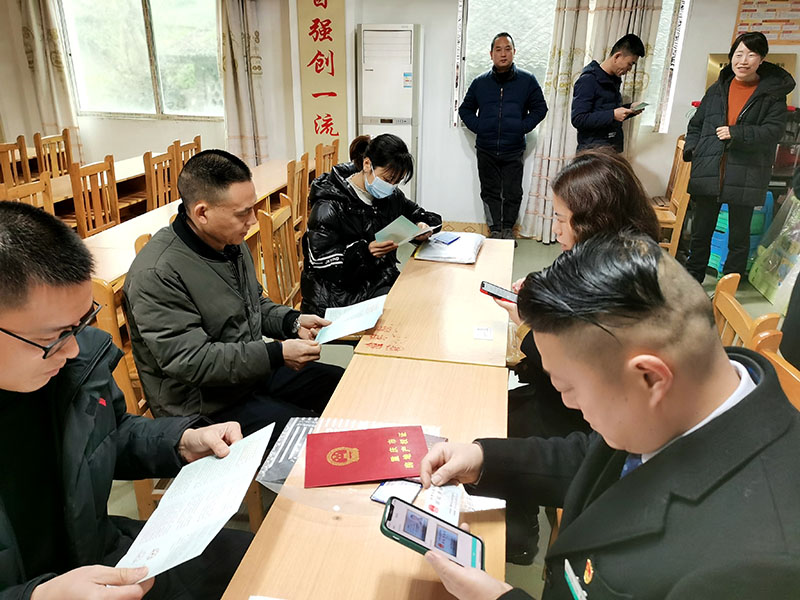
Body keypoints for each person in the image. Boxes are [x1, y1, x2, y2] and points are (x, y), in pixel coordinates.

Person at [421, 231, 800, 600]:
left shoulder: (756, 570)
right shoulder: (694, 394)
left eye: (568, 386)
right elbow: (597, 460)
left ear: (649, 377)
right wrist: (483, 459)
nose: (568, 403)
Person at [0, 202, 252, 600]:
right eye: (53, 338)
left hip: (99, 553)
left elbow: (108, 434)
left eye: (81, 324)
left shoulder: (71, 363)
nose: (72, 349)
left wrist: (179, 442)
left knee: (258, 560)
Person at [493, 149, 660, 565]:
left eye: (560, 219)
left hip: (594, 419)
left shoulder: (616, 278)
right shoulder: (611, 253)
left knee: (499, 419)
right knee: (501, 408)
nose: (555, 228)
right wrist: (537, 293)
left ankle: (518, 533)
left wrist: (526, 324)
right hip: (588, 400)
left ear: (592, 222)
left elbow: (566, 367)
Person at [124, 149, 343, 436]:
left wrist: (292, 322)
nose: (252, 221)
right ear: (202, 213)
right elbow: (192, 361)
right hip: (205, 405)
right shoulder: (157, 273)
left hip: (246, 375)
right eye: (243, 213)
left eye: (252, 208)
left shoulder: (228, 242)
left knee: (342, 384)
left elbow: (253, 303)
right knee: (307, 434)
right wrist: (276, 354)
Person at [684, 31, 795, 283]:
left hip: (747, 171)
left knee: (738, 238)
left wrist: (736, 133)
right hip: (710, 170)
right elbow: (696, 125)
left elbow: (773, 131)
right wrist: (694, 150)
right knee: (700, 234)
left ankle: (729, 288)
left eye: (751, 55)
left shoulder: (772, 94)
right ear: (731, 56)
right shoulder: (717, 89)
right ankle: (692, 283)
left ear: (762, 59)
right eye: (738, 54)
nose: (743, 60)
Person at [301, 134, 442, 316]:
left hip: (376, 281)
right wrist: (366, 253)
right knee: (409, 312)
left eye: (396, 182)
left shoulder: (389, 196)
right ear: (367, 164)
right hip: (338, 298)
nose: (391, 187)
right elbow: (324, 265)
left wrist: (422, 225)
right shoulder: (329, 205)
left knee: (425, 297)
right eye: (388, 180)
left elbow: (420, 214)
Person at [459, 32, 548, 239]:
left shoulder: (527, 80)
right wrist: (480, 127)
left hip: (513, 148)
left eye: (507, 49)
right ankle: (495, 230)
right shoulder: (480, 82)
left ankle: (508, 230)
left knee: (512, 192)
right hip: (486, 148)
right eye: (498, 50)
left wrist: (521, 127)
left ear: (514, 52)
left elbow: (540, 108)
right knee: (489, 191)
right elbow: (465, 110)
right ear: (491, 54)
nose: (503, 54)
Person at [571, 33, 646, 152]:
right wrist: (612, 115)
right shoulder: (588, 80)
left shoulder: (614, 79)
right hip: (593, 152)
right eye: (630, 64)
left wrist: (630, 108)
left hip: (611, 148)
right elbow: (578, 119)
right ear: (617, 56)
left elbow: (606, 109)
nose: (629, 69)